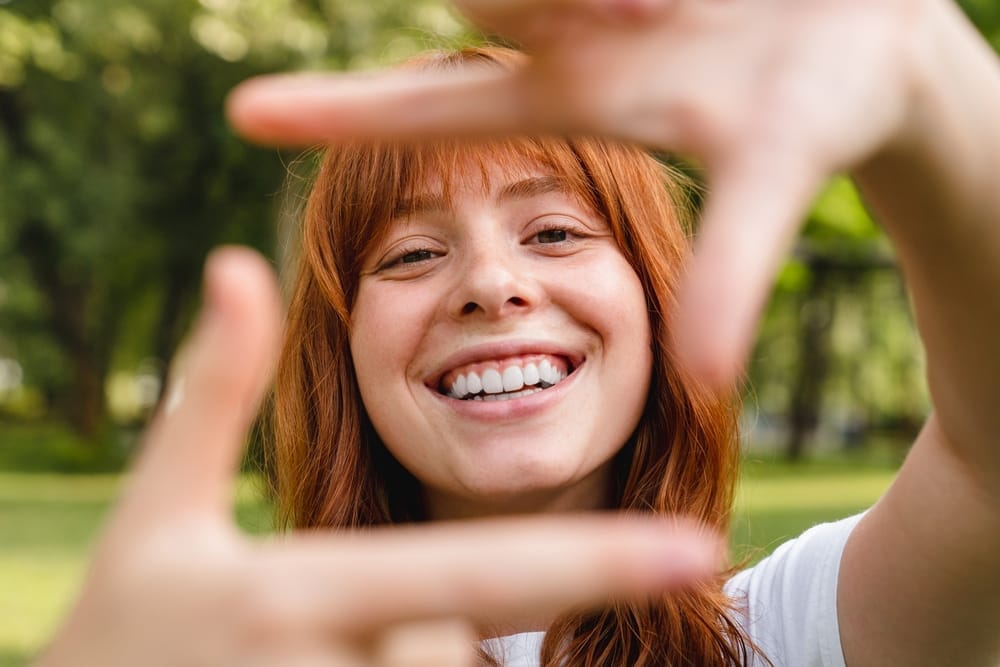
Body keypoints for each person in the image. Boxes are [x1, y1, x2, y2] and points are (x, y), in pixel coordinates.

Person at [36, 0, 1000, 665]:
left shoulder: (796, 633)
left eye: (555, 232)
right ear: (342, 348)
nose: (492, 285)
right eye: (410, 255)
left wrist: (929, 82)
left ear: (654, 300)